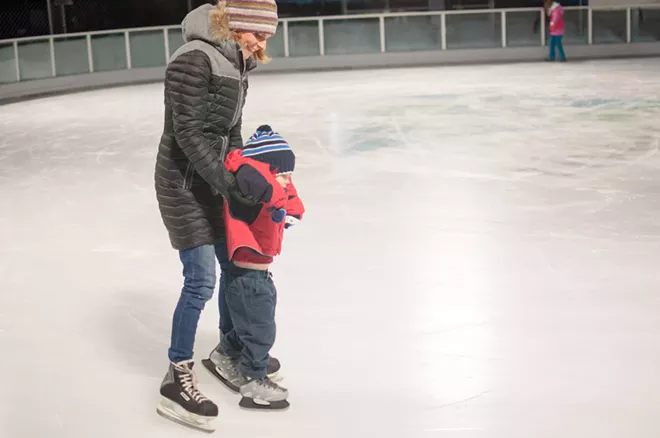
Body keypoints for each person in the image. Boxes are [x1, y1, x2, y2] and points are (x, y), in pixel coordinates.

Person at [154, 0, 279, 432]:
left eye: (267, 37)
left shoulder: (240, 64)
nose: (261, 44)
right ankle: (176, 374)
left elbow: (232, 130)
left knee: (233, 265)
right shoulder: (195, 58)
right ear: (235, 24)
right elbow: (186, 132)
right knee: (201, 278)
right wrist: (228, 186)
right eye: (257, 34)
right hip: (181, 183)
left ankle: (228, 351)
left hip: (212, 181)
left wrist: (246, 171)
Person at [202, 125, 305, 411]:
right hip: (249, 277)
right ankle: (254, 379)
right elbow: (255, 175)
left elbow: (290, 199)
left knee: (251, 324)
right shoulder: (252, 182)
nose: (288, 181)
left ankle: (227, 353)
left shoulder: (264, 183)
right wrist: (273, 182)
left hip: (255, 274)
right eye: (283, 174)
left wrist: (288, 205)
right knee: (261, 329)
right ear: (266, 170)